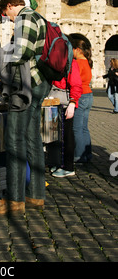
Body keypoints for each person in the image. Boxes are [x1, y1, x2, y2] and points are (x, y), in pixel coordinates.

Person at [0, 0, 51, 216]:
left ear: (11, 6)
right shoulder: (40, 18)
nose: (8, 19)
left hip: (26, 85)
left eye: (6, 14)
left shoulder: (24, 18)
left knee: (14, 139)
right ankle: (36, 195)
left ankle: (14, 199)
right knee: (33, 138)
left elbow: (21, 53)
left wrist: (3, 66)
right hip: (40, 83)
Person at [49, 57, 82, 177]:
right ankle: (56, 162)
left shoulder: (71, 62)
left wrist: (73, 103)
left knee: (66, 134)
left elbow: (76, 83)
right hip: (52, 98)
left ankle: (68, 167)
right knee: (53, 134)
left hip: (65, 99)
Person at [69, 35, 93, 164]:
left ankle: (79, 156)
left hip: (80, 95)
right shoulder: (87, 62)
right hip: (88, 95)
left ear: (78, 49)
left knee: (76, 128)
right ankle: (88, 153)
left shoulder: (77, 63)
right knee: (84, 127)